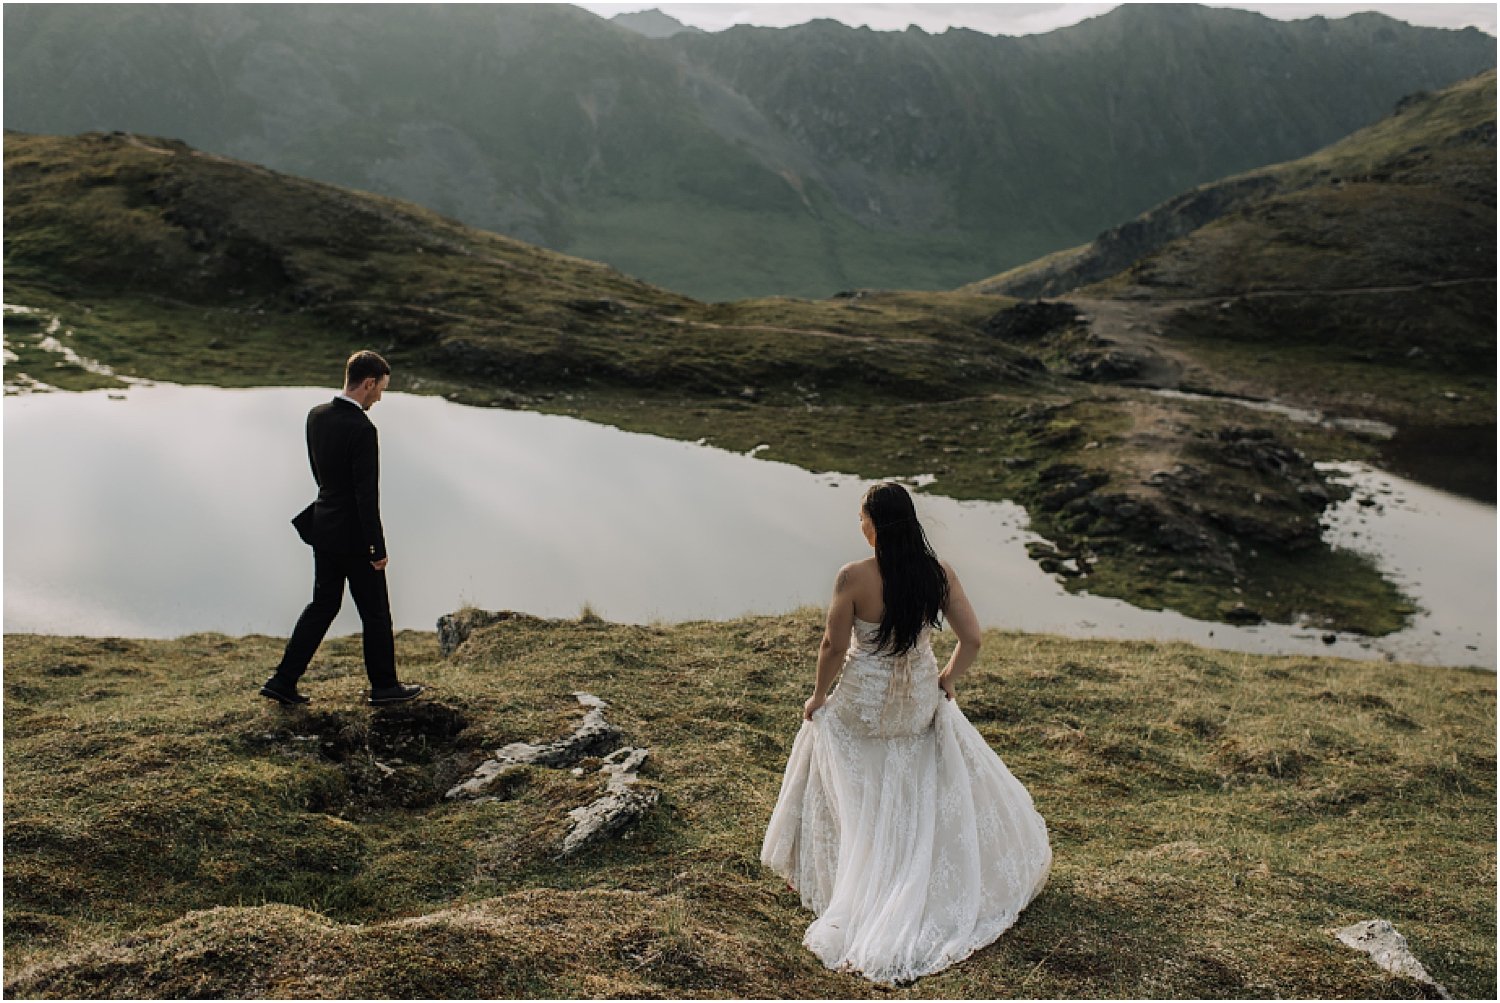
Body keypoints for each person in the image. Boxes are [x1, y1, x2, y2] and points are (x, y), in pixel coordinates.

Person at [761, 481, 1050, 985]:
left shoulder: (853, 576)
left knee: (823, 731)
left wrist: (817, 696)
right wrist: (946, 681)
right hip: (916, 699)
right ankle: (896, 857)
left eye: (861, 515)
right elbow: (973, 639)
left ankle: (843, 867)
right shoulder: (936, 574)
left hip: (864, 704)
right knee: (912, 767)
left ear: (876, 523)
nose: (858, 523)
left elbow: (833, 645)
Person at [260, 350, 423, 707]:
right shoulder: (363, 429)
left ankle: (282, 680)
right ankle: (384, 687)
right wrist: (376, 549)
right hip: (353, 537)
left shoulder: (316, 416)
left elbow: (321, 476)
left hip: (324, 528)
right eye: (381, 388)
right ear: (368, 383)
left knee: (322, 605)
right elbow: (366, 496)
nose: (380, 396)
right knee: (376, 611)